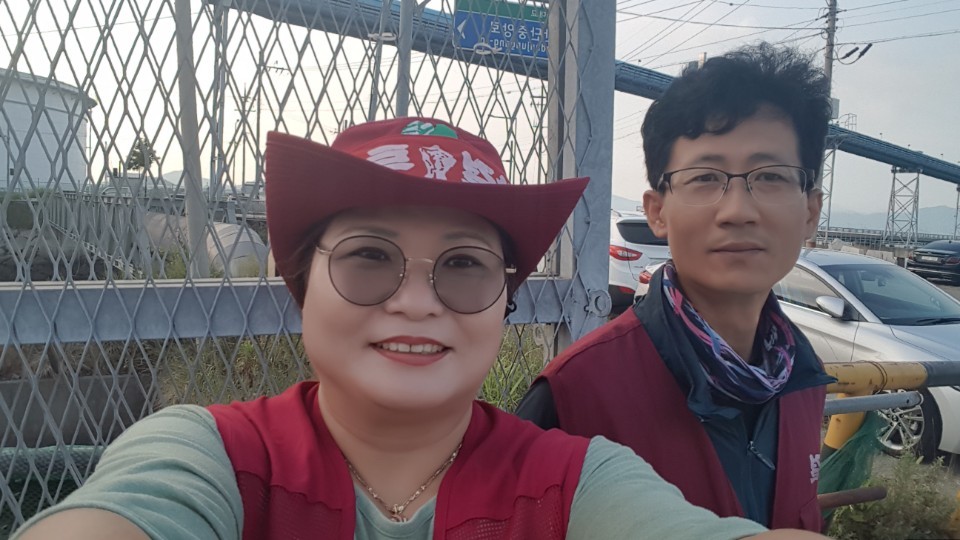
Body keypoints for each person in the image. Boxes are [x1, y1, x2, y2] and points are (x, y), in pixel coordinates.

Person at [16, 117, 825, 540]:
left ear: (505, 300)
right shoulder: (209, 458)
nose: (415, 301)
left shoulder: (578, 480)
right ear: (301, 285)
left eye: (464, 265)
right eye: (369, 257)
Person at [516, 43, 837, 533]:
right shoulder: (577, 394)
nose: (737, 210)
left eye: (770, 176)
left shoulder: (801, 375)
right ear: (657, 211)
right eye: (705, 177)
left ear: (810, 212)